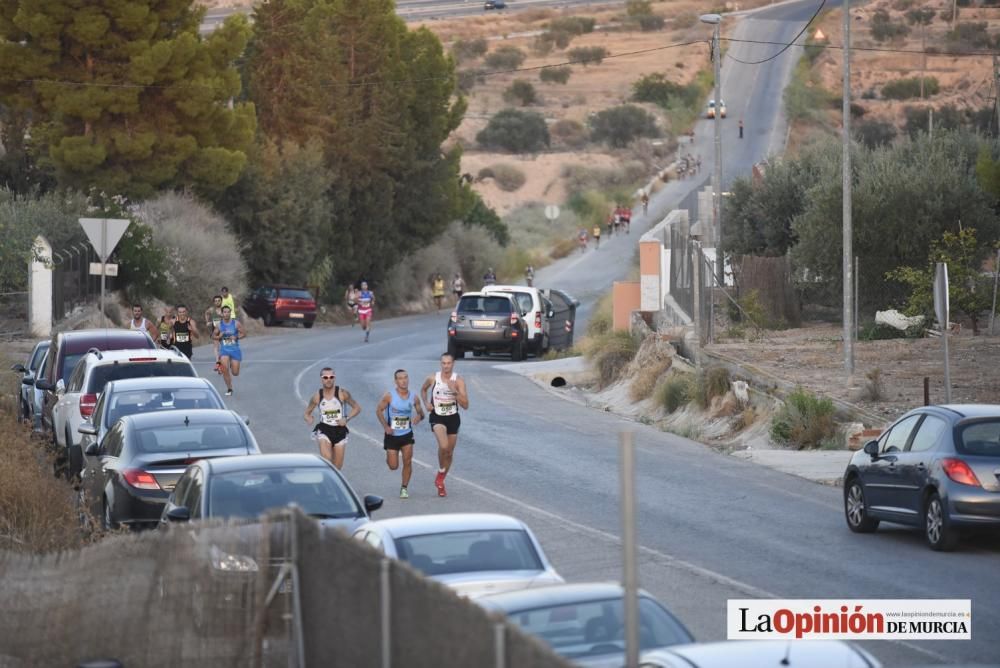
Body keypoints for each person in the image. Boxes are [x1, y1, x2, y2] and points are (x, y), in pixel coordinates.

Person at [421, 353, 469, 498]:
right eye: (443, 363)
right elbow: (423, 390)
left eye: (448, 363)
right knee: (443, 446)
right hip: (437, 416)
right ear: (440, 364)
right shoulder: (432, 378)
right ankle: (441, 471)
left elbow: (466, 405)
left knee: (449, 453)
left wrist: (454, 391)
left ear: (453, 364)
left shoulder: (458, 381)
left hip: (453, 417)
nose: (446, 366)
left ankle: (441, 479)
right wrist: (426, 403)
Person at [375, 369, 425, 498]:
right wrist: (386, 426)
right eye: (400, 378)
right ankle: (390, 457)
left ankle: (404, 488)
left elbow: (421, 413)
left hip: (407, 434)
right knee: (393, 466)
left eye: (405, 377)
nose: (404, 380)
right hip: (392, 435)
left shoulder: (414, 397)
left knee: (407, 462)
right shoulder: (389, 396)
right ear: (396, 381)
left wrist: (419, 416)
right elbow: (379, 411)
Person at [303, 367, 360, 470]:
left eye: (331, 377)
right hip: (324, 429)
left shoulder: (342, 393)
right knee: (327, 461)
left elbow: (357, 408)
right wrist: (308, 418)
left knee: (337, 468)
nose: (328, 379)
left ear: (334, 378)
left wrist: (346, 419)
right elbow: (307, 413)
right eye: (325, 377)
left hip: (340, 430)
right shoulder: (317, 396)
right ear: (321, 379)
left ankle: (330, 482)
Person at [213, 305, 246, 396]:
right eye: (225, 312)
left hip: (235, 350)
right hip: (224, 350)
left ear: (230, 312)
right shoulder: (219, 325)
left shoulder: (236, 323)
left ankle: (232, 363)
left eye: (228, 312)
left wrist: (236, 337)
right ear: (222, 314)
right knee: (224, 369)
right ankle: (229, 388)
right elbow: (213, 336)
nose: (226, 314)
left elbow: (244, 333)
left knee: (235, 373)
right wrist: (219, 336)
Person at [204, 295, 224, 371]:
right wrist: (207, 322)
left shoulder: (224, 309)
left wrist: (221, 315)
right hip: (215, 330)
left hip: (223, 330)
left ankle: (221, 362)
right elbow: (206, 313)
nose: (217, 302)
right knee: (216, 347)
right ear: (213, 302)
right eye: (215, 301)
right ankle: (218, 362)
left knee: (223, 348)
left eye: (219, 300)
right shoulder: (212, 309)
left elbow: (228, 317)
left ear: (221, 301)